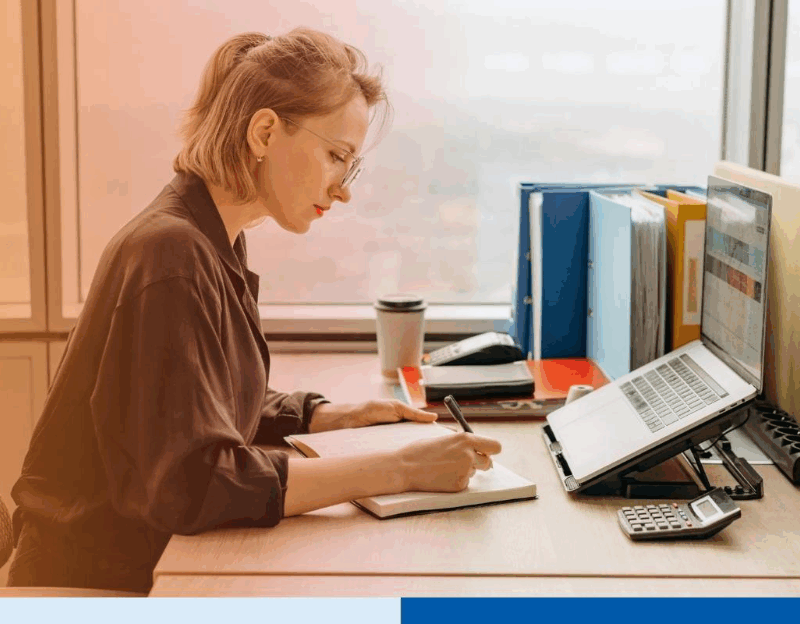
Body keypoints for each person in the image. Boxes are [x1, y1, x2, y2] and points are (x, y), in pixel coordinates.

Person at [7, 28, 501, 594]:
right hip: (97, 580)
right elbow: (194, 485)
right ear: (265, 131)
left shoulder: (210, 237)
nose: (343, 191)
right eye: (337, 156)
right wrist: (402, 469)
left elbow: (185, 401)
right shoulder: (172, 252)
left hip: (129, 557)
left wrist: (322, 416)